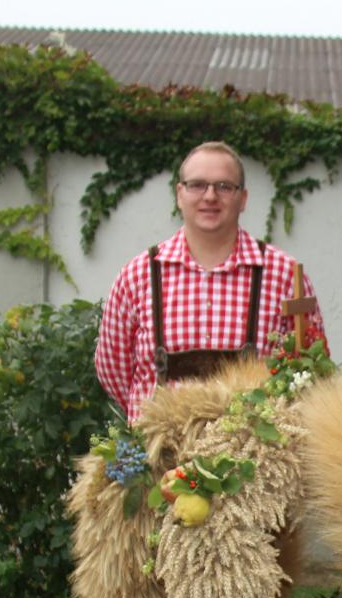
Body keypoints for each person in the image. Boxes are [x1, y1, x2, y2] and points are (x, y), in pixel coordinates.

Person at [94, 140, 325, 421]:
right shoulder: (137, 276)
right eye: (197, 185)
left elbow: (310, 369)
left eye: (224, 186)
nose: (210, 196)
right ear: (179, 194)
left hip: (255, 447)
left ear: (243, 198)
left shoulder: (286, 276)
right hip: (157, 448)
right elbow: (113, 371)